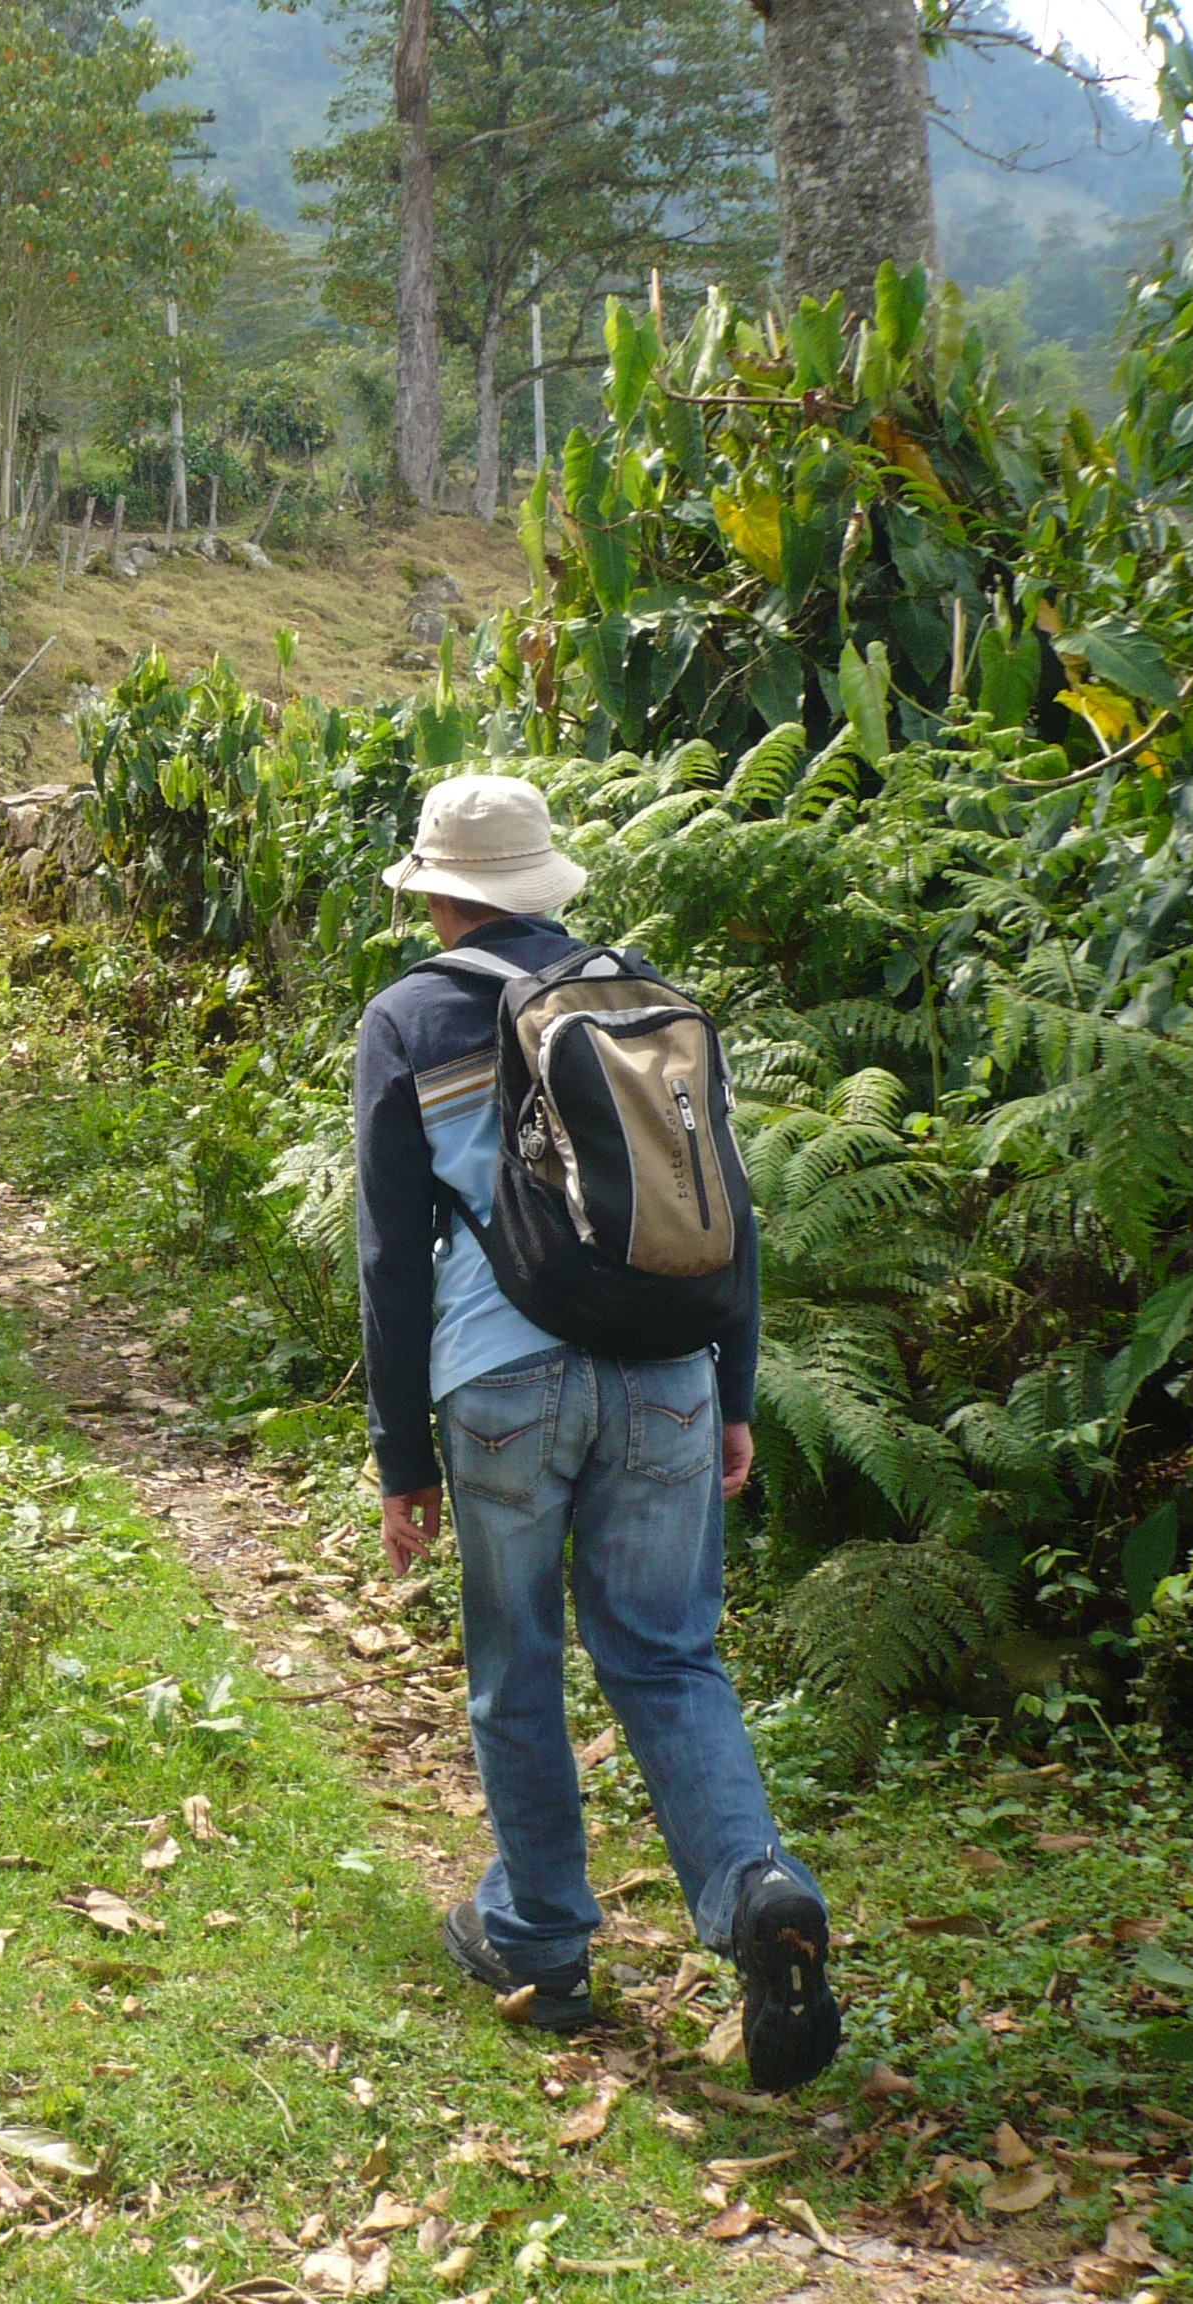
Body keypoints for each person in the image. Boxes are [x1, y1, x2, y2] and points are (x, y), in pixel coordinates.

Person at [352, 772, 839, 2092]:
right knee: (672, 1657)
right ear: (546, 882)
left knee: (520, 1662)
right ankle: (756, 1886)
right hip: (669, 1371)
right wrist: (732, 1389)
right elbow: (723, 1206)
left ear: (441, 891)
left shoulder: (406, 1018)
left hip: (504, 1390)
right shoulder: (642, 1004)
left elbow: (395, 1259)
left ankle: (543, 1947)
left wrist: (403, 1461)